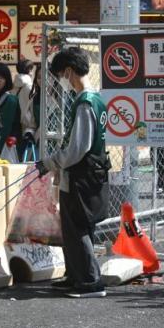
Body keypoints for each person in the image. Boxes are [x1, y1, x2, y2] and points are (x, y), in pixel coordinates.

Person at [36, 47, 110, 298]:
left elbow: (78, 147)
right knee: (75, 226)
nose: (61, 80)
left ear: (68, 71)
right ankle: (75, 275)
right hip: (91, 173)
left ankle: (90, 281)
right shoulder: (97, 99)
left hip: (80, 174)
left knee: (76, 226)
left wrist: (50, 163)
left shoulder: (84, 103)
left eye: (60, 75)